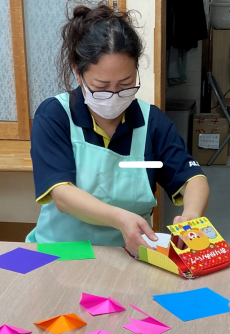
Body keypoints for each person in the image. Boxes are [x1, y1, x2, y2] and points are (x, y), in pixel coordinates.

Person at [26, 2, 209, 254]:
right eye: (101, 87)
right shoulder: (55, 115)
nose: (114, 95)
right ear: (78, 74)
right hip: (62, 252)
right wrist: (120, 218)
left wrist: (191, 214)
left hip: (129, 255)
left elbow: (193, 178)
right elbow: (62, 195)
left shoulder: (151, 122)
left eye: (125, 84)